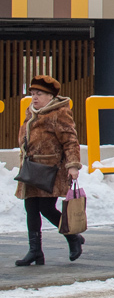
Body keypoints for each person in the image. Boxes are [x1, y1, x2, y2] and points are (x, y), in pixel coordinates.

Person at [14, 75, 83, 266]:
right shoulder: (32, 112)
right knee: (31, 208)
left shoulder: (58, 113)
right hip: (31, 169)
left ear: (51, 96)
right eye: (33, 94)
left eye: (39, 94)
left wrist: (73, 165)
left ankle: (73, 237)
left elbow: (70, 141)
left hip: (51, 170)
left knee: (46, 208)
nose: (35, 97)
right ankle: (35, 251)